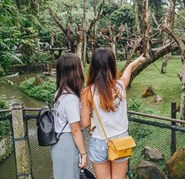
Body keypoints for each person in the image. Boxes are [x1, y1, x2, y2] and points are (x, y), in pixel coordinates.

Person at [81, 48, 145, 179]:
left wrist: (94, 117)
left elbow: (85, 123)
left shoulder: (87, 92)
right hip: (121, 140)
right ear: (112, 65)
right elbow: (127, 73)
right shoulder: (120, 86)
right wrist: (137, 61)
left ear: (93, 66)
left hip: (99, 141)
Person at [52, 53, 88, 179]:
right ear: (74, 71)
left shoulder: (60, 92)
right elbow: (75, 130)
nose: (83, 67)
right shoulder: (71, 98)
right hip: (68, 145)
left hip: (58, 143)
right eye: (81, 65)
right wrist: (84, 153)